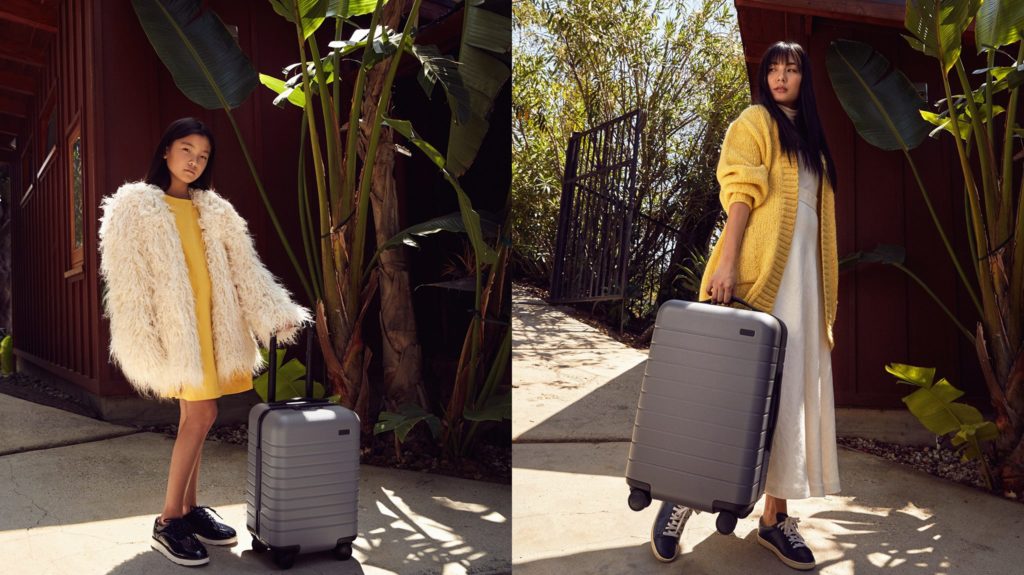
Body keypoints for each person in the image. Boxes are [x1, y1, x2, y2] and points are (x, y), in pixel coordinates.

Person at [649, 41, 840, 571]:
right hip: (759, 279)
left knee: (789, 398)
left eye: (792, 68)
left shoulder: (815, 145)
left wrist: (826, 299)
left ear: (804, 78)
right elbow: (739, 194)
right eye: (773, 68)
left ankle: (775, 519)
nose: (781, 76)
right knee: (725, 397)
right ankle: (681, 498)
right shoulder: (755, 121)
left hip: (806, 288)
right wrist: (727, 263)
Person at [98, 117, 311, 567]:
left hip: (214, 328)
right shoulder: (135, 206)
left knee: (195, 416)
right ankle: (167, 520)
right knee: (204, 413)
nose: (193, 161)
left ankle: (189, 511)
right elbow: (128, 282)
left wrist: (276, 313)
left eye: (203, 155)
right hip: (178, 332)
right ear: (165, 151)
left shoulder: (214, 209)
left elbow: (246, 270)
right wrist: (146, 338)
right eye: (185, 150)